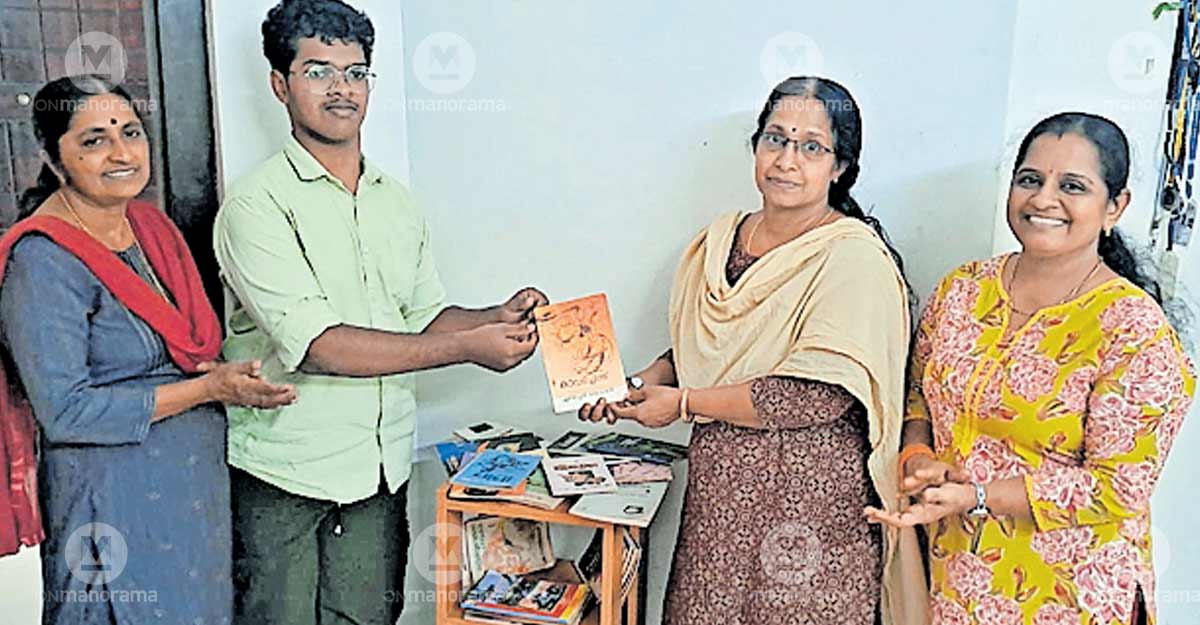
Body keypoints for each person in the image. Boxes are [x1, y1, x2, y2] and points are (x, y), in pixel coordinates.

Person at [212, 2, 547, 623]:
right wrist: (469, 346)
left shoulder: (396, 201)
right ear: (280, 85)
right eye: (319, 71)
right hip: (287, 476)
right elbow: (320, 347)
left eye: (356, 72)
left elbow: (424, 317)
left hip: (379, 474)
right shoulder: (255, 207)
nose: (342, 89)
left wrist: (492, 318)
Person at [580, 76, 927, 625]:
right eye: (775, 139)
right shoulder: (719, 241)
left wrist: (683, 403)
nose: (788, 159)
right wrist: (649, 379)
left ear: (840, 166)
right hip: (720, 497)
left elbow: (816, 395)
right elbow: (701, 345)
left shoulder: (854, 258)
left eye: (812, 146)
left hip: (811, 506)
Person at [866, 112, 1196, 625]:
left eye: (1072, 186)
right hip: (959, 580)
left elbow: (1118, 487)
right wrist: (917, 455)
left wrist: (976, 495)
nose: (1044, 199)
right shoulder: (964, 288)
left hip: (1071, 593)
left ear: (1115, 207)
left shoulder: (1133, 329)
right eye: (1030, 180)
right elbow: (918, 395)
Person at [0, 75, 295, 625]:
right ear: (53, 157)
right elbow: (65, 411)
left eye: (130, 132)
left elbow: (189, 348)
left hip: (190, 500)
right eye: (94, 140)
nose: (121, 152)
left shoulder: (150, 230)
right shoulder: (42, 262)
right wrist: (208, 389)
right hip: (113, 503)